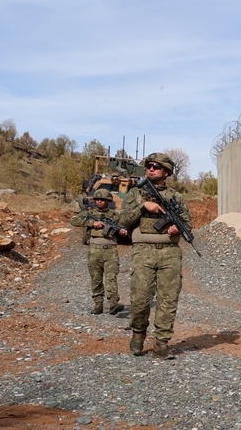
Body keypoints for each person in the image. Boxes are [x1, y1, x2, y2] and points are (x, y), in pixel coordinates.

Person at [117, 152, 192, 360]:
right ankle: (138, 333)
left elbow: (187, 224)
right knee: (140, 297)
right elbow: (123, 220)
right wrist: (143, 206)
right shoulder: (135, 193)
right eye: (148, 166)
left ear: (166, 172)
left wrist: (178, 228)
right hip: (143, 251)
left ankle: (161, 343)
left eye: (156, 166)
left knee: (169, 298)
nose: (150, 169)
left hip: (170, 252)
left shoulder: (176, 197)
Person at [69, 188, 126, 315]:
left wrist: (122, 232)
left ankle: (113, 303)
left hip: (111, 249)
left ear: (108, 201)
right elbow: (74, 220)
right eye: (97, 199)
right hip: (94, 249)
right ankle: (98, 304)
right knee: (96, 278)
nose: (99, 201)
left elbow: (123, 227)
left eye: (102, 200)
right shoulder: (89, 213)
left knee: (111, 277)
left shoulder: (115, 215)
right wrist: (92, 223)